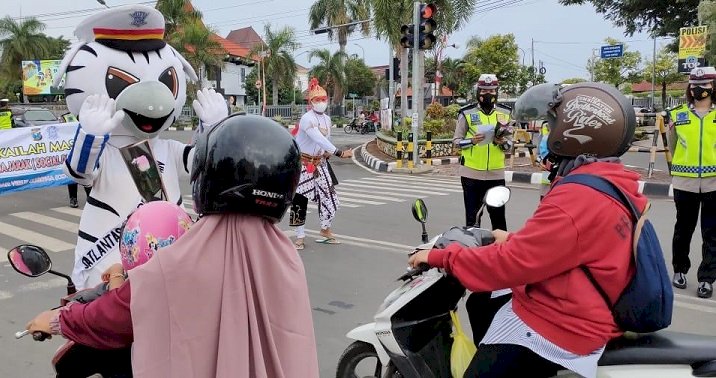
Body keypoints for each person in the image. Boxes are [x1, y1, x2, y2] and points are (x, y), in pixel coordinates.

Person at [25, 114, 320, 378]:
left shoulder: (184, 259)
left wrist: (56, 320)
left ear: (207, 176)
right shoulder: (288, 259)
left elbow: (120, 312)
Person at [409, 82, 641, 378]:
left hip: (566, 322)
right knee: (482, 301)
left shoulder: (577, 197)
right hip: (577, 294)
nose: (548, 134)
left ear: (575, 133)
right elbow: (564, 243)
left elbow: (512, 264)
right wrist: (511, 238)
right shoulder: (607, 183)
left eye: (552, 126)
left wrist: (440, 257)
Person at [54, 5, 228, 289]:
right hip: (109, 264)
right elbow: (79, 172)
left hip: (171, 264)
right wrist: (90, 135)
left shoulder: (168, 149)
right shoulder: (104, 151)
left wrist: (215, 129)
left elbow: (203, 164)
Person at [667, 66, 716, 298]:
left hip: (714, 183)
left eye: (705, 85)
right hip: (684, 182)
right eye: (695, 85)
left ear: (713, 87)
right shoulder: (677, 115)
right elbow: (673, 145)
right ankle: (679, 270)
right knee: (683, 229)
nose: (699, 89)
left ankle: (707, 279)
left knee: (712, 233)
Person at [290, 77, 353, 250]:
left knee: (330, 197)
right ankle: (300, 236)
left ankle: (325, 229)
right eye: (317, 100)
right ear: (310, 101)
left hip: (320, 164)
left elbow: (326, 140)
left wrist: (327, 153)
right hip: (303, 164)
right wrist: (339, 152)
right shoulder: (306, 119)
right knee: (299, 201)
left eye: (323, 99)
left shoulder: (327, 119)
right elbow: (317, 137)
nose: (321, 102)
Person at [453, 74, 513, 229]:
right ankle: (473, 250)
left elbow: (510, 145)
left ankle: (501, 251)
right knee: (473, 219)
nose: (488, 94)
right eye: (484, 90)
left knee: (499, 218)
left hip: (496, 173)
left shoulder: (505, 113)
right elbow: (456, 142)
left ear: (497, 91)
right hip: (471, 174)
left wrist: (502, 143)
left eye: (492, 90)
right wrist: (472, 141)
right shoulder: (466, 113)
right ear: (478, 91)